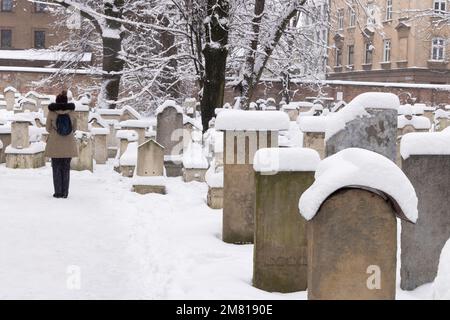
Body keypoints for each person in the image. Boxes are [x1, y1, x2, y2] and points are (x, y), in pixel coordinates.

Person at [45, 91, 78, 198]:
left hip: (55, 145)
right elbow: (75, 128)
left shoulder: (51, 112)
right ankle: (65, 192)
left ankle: (58, 192)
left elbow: (47, 128)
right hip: (68, 144)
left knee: (56, 169)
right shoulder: (72, 112)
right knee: (66, 169)